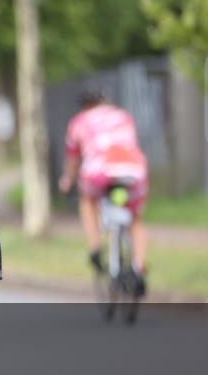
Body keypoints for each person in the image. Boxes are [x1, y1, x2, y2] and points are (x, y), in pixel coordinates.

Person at [58, 89, 149, 296]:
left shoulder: (78, 122)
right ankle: (139, 267)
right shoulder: (123, 115)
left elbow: (73, 161)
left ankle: (96, 248)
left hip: (99, 170)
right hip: (132, 169)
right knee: (135, 218)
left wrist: (67, 182)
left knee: (87, 200)